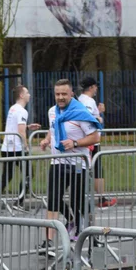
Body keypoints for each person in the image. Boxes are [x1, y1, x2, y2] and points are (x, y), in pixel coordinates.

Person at [39, 79, 101, 256]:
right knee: (52, 202)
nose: (60, 97)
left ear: (71, 94)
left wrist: (75, 142)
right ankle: (48, 243)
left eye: (63, 94)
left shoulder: (80, 112)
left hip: (78, 165)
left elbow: (95, 137)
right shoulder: (52, 111)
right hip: (57, 162)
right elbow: (53, 128)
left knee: (79, 203)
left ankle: (91, 235)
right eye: (57, 94)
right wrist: (46, 140)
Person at [0, 85, 40, 212]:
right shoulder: (22, 111)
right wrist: (26, 146)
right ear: (21, 95)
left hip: (7, 147)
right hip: (16, 148)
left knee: (7, 175)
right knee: (29, 173)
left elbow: (16, 127)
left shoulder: (13, 108)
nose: (29, 95)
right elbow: (20, 131)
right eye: (27, 93)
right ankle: (19, 201)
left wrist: (28, 127)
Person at [79, 76, 115, 208]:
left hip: (87, 139)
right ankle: (100, 199)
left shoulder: (81, 99)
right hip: (91, 140)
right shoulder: (88, 101)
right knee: (96, 169)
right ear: (91, 87)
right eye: (95, 87)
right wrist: (98, 119)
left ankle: (98, 198)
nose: (96, 89)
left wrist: (98, 113)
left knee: (93, 169)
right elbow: (86, 117)